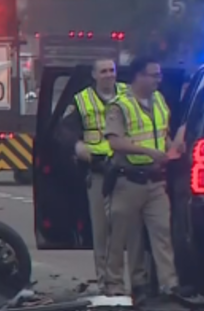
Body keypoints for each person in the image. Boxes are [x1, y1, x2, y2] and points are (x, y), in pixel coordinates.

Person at [101, 56, 182, 300]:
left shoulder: (158, 100)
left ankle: (169, 285)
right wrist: (148, 152)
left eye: (159, 75)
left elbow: (161, 134)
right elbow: (114, 141)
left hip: (156, 182)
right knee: (121, 238)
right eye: (154, 74)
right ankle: (115, 285)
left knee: (162, 233)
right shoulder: (120, 105)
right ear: (139, 76)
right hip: (128, 181)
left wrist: (173, 149)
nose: (159, 79)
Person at [60, 60, 145, 291]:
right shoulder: (82, 100)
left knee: (134, 230)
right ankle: (107, 283)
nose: (109, 75)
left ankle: (139, 283)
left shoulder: (130, 94)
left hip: (129, 171)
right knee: (102, 231)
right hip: (99, 172)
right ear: (94, 75)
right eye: (104, 71)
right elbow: (64, 131)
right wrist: (76, 146)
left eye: (112, 71)